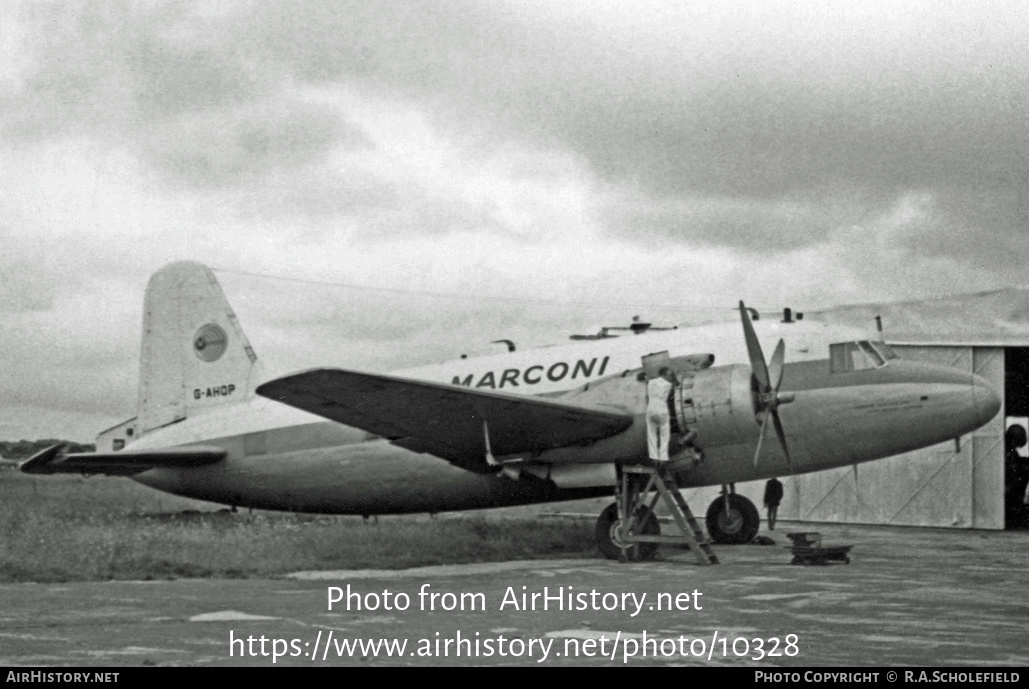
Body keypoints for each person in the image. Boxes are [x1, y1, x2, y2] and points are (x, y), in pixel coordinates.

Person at [646, 367, 675, 462]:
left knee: (651, 435)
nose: (670, 377)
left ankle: (654, 457)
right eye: (669, 375)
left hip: (651, 410)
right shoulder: (667, 384)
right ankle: (663, 458)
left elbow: (647, 381)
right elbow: (676, 383)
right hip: (661, 411)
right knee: (664, 436)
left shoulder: (651, 382)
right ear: (665, 375)